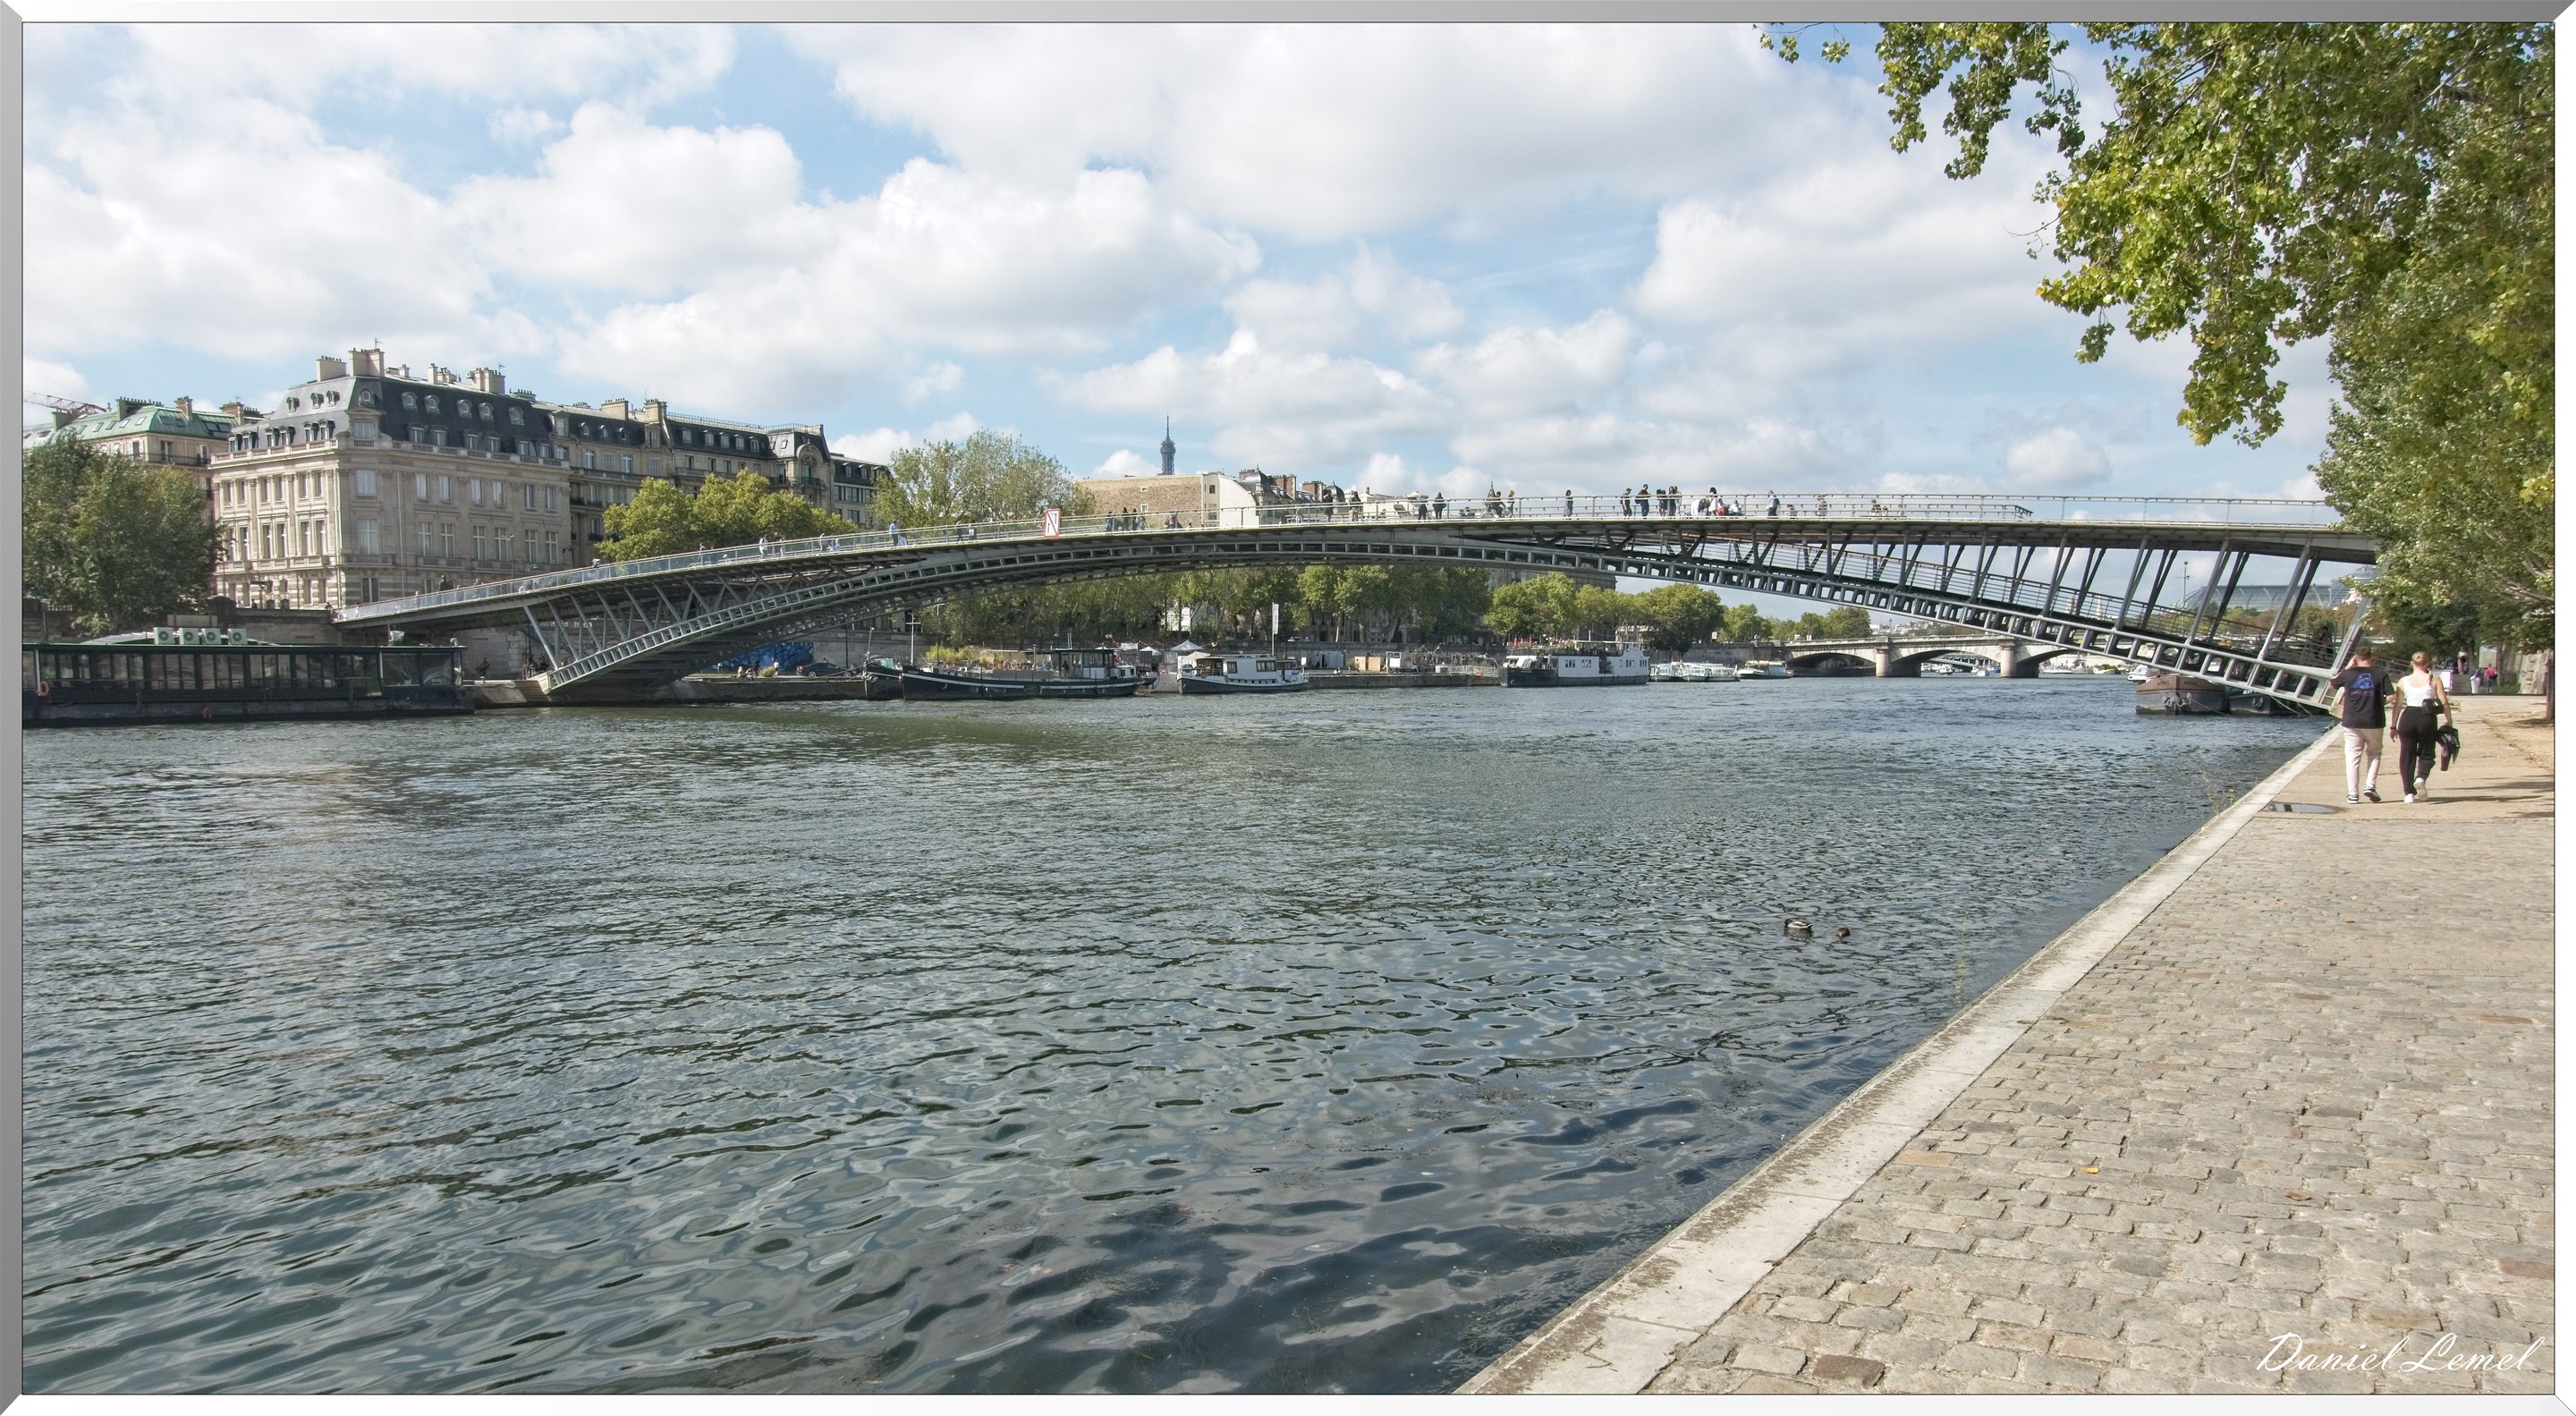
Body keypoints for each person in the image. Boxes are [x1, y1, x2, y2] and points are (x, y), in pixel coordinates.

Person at [2328, 645, 2397, 803]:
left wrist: (2348, 667)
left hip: (2352, 721)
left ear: (2356, 658)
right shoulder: (2380, 674)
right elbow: (2392, 696)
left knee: (2352, 757)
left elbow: (2331, 685)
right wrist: (2379, 703)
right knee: (2374, 753)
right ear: (2371, 657)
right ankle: (2370, 786)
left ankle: (2353, 794)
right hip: (2374, 720)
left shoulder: (2348, 674)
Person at [2394, 650, 2453, 802]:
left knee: (2407, 755)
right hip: (2426, 718)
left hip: (2407, 718)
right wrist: (2448, 721)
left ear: (2412, 663)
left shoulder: (2403, 681)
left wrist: (2393, 726)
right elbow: (2444, 701)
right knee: (2427, 752)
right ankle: (2420, 777)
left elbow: (2398, 705)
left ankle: (2408, 794)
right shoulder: (2434, 679)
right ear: (2427, 664)